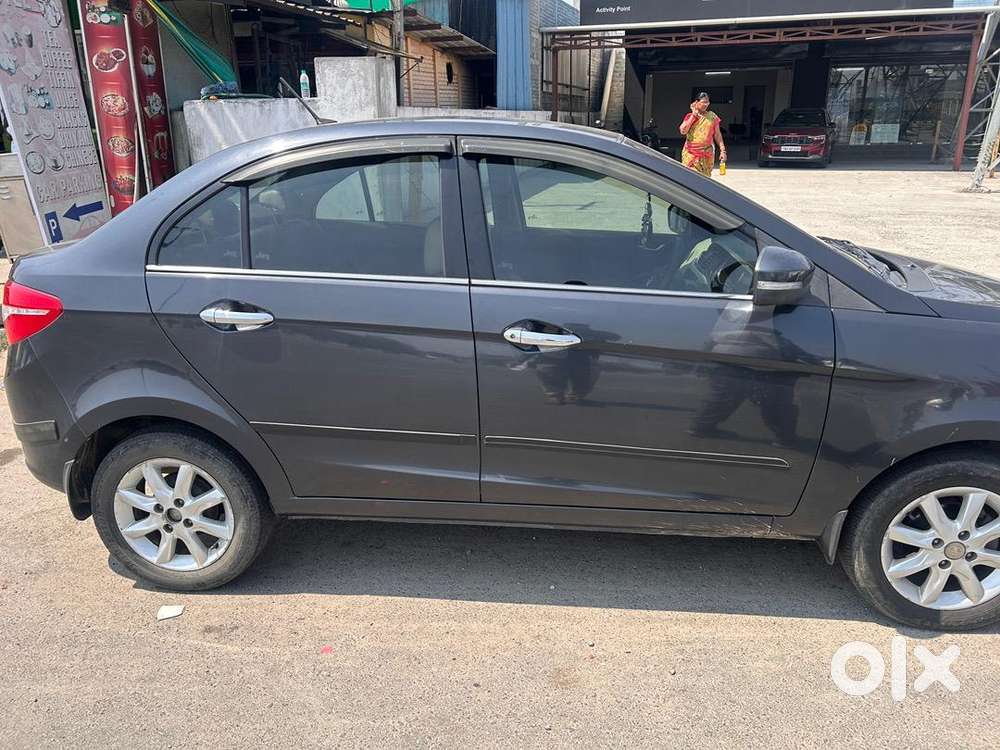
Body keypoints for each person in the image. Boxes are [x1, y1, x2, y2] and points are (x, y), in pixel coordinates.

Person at [679, 92, 726, 177]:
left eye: (707, 102)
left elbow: (718, 135)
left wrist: (723, 151)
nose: (706, 104)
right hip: (691, 155)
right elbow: (683, 131)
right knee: (690, 178)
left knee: (704, 180)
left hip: (706, 155)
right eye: (703, 102)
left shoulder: (712, 117)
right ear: (696, 102)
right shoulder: (690, 116)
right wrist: (694, 115)